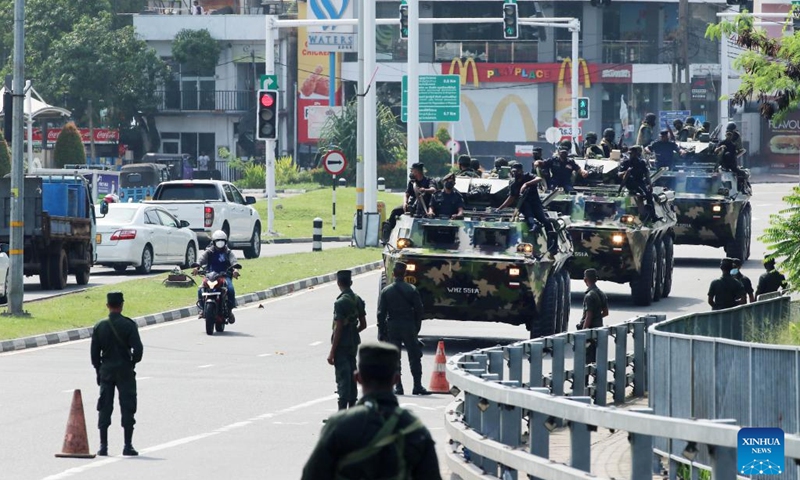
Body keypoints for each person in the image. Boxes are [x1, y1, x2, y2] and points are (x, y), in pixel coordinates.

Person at [301, 342, 442, 480]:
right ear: (396, 379)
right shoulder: (413, 429)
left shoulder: (340, 425)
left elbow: (313, 474)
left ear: (357, 378)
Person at [91, 292, 144, 457]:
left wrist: (99, 369)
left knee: (105, 407)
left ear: (107, 306)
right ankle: (127, 445)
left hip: (106, 371)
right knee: (128, 406)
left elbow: (94, 354)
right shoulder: (129, 325)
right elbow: (139, 350)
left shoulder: (100, 326)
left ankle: (103, 446)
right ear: (121, 305)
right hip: (125, 371)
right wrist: (132, 362)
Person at [377, 262, 430, 396]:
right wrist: (416, 327)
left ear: (393, 274)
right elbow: (419, 310)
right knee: (415, 356)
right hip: (408, 325)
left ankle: (398, 387)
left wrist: (381, 331)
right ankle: (417, 385)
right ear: (405, 273)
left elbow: (381, 313)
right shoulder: (411, 289)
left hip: (393, 326)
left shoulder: (386, 291)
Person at [329, 269, 368, 411]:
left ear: (338, 283)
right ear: (351, 282)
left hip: (341, 345)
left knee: (342, 379)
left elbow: (338, 328)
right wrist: (352, 331)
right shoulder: (357, 299)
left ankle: (341, 413)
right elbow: (363, 324)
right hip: (353, 343)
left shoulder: (340, 302)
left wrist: (332, 352)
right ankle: (352, 410)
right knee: (352, 375)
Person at [496, 162, 557, 252]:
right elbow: (511, 197)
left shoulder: (528, 176)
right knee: (528, 213)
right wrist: (500, 208)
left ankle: (552, 243)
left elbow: (539, 178)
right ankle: (533, 225)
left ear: (521, 171)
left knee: (545, 221)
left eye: (517, 171)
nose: (515, 174)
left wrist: (526, 184)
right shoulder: (513, 183)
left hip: (535, 203)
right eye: (513, 172)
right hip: (524, 205)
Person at [193, 230, 240, 321]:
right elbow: (201, 259)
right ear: (213, 242)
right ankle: (203, 309)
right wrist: (197, 267)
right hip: (210, 276)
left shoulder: (228, 252)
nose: (220, 243)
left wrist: (235, 270)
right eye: (218, 241)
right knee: (200, 289)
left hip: (224, 275)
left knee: (230, 289)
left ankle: (229, 311)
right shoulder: (209, 251)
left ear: (225, 242)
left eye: (222, 241)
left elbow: (234, 261)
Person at [387, 163, 435, 232]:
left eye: (412, 171)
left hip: (424, 206)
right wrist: (405, 203)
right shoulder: (412, 182)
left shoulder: (429, 180)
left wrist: (424, 190)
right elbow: (407, 194)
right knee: (395, 211)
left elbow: (433, 189)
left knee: (422, 197)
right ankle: (389, 230)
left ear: (417, 172)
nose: (411, 173)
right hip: (411, 205)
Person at [618, 145, 660, 221]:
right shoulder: (626, 163)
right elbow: (619, 174)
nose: (630, 155)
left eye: (632, 154)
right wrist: (626, 172)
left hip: (640, 182)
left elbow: (646, 173)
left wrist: (650, 184)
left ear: (636, 154)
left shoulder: (641, 162)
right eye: (629, 154)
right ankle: (641, 213)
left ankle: (653, 216)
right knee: (639, 194)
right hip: (630, 183)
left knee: (648, 195)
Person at [577, 269, 608, 364]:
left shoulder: (589, 296)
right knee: (596, 359)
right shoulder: (601, 294)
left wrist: (583, 331)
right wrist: (597, 318)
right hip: (598, 330)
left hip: (589, 332)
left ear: (585, 280)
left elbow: (588, 316)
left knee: (585, 360)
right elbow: (606, 313)